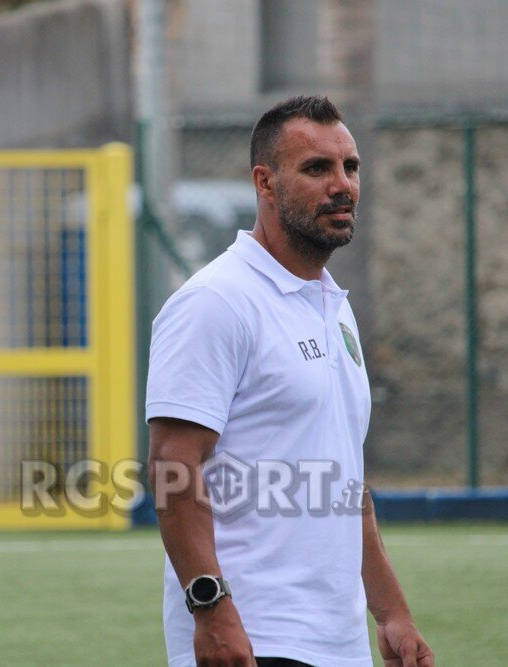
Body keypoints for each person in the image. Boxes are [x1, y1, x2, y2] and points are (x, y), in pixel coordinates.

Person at [145, 96, 434, 667]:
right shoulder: (216, 302)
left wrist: (392, 613)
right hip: (255, 638)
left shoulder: (332, 305)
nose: (342, 185)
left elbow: (344, 482)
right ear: (266, 182)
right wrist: (212, 611)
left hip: (337, 644)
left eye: (350, 167)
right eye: (317, 168)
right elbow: (172, 469)